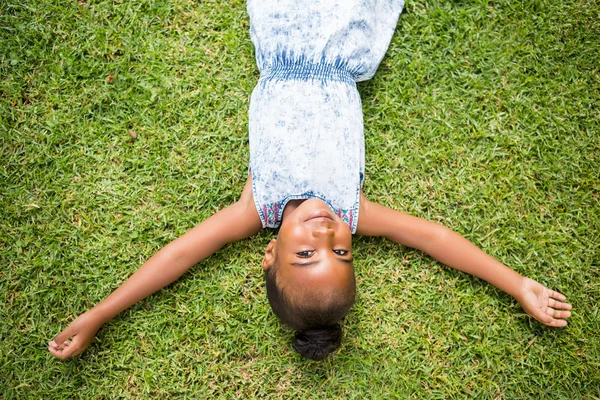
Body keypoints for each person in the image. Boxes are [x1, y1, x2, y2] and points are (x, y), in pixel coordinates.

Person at [49, 0, 572, 361]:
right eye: (342, 254)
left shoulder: (256, 208)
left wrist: (100, 313)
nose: (326, 237)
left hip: (283, 32)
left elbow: (178, 256)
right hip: (345, 39)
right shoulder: (352, 210)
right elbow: (434, 238)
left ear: (269, 254)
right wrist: (516, 284)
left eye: (305, 255)